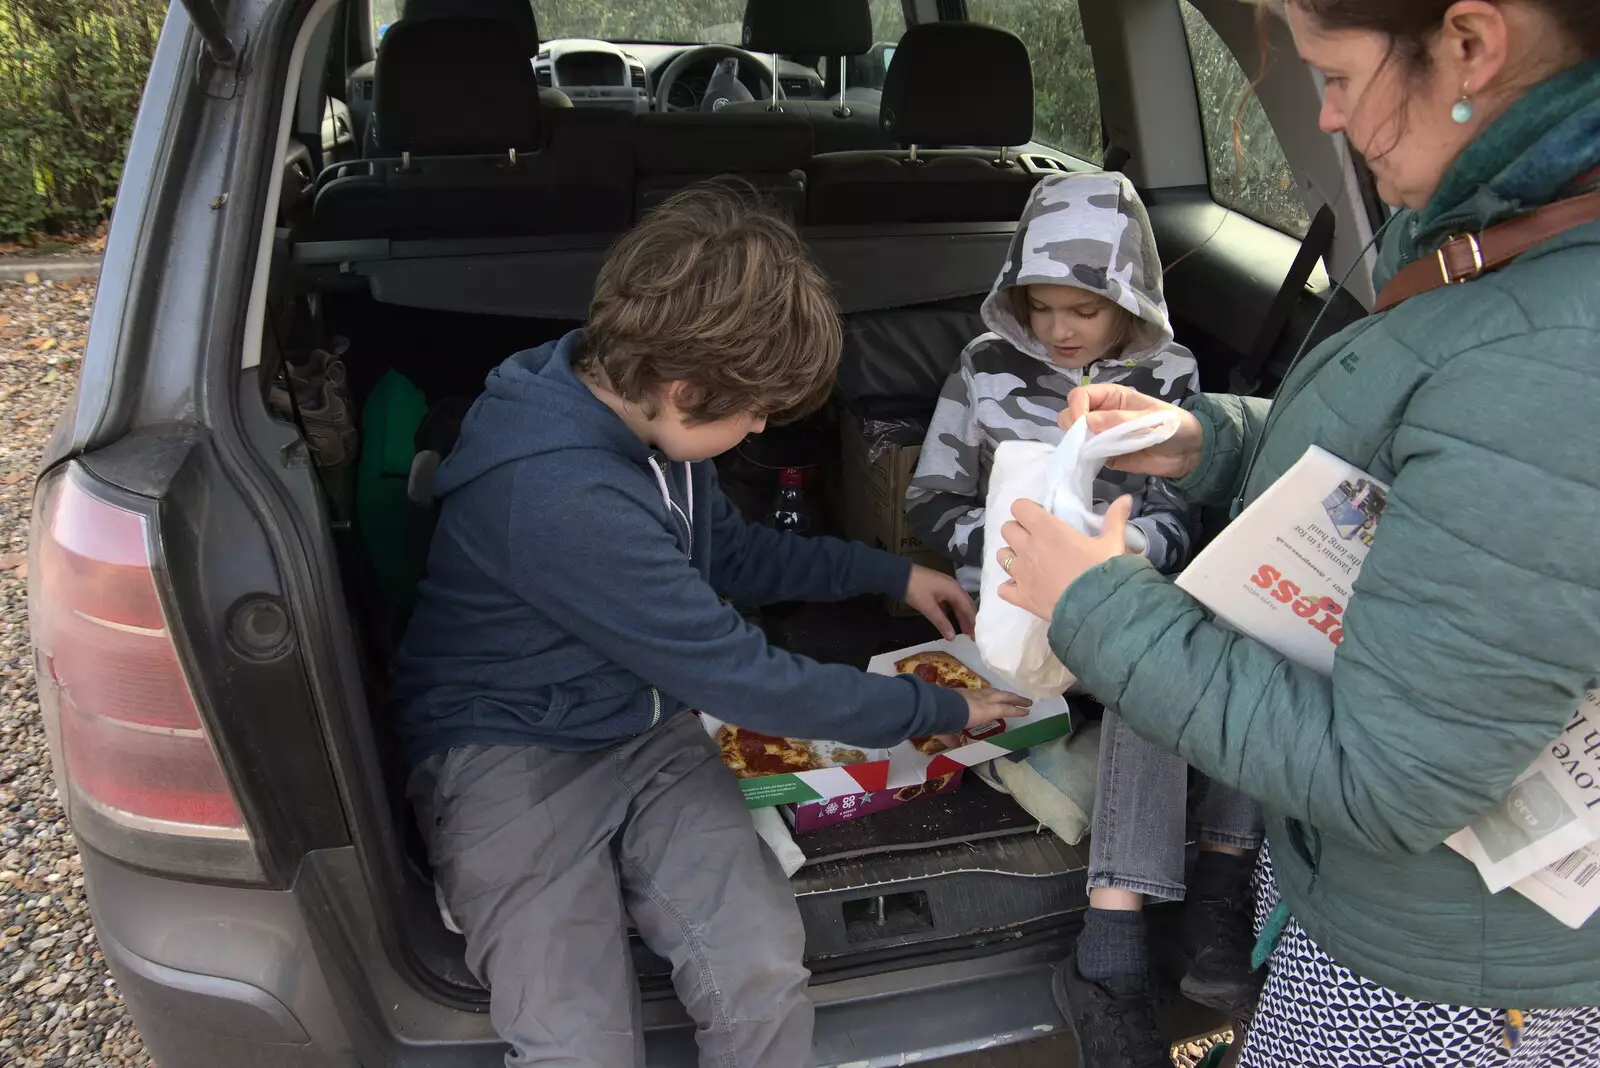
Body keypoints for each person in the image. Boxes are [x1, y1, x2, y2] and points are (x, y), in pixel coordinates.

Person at [994, 1, 1600, 1064]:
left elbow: (1385, 779)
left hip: (1446, 978)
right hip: (1397, 910)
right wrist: (1207, 440)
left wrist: (1094, 604)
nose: (1323, 118)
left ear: (1469, 44)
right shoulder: (1519, 237)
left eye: (1334, 74)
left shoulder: (1556, 342)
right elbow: (1434, 458)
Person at [390, 185, 1030, 1068]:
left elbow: (730, 555)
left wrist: (890, 572)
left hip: (645, 726)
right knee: (580, 1047)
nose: (763, 427)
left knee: (762, 977)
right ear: (685, 389)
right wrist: (941, 712)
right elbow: (747, 681)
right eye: (753, 412)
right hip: (508, 747)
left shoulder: (640, 416)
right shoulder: (562, 496)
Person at [905, 171, 1265, 1068]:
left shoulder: (1170, 378)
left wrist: (1130, 549)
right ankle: (1115, 958)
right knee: (1155, 649)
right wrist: (1013, 550)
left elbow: (1185, 513)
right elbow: (932, 498)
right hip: (1019, 611)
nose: (1060, 329)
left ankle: (1210, 896)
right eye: (1043, 305)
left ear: (1131, 305)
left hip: (1127, 592)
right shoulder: (986, 370)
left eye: (1087, 311)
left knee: (1207, 633)